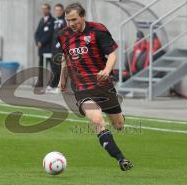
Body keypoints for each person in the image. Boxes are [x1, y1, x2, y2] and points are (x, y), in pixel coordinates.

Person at [57, 3, 133, 171]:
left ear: (83, 16)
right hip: (82, 88)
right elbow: (65, 56)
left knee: (119, 126)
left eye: (74, 20)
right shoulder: (63, 36)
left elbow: (112, 54)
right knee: (98, 120)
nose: (71, 24)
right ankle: (121, 159)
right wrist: (62, 78)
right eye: (68, 20)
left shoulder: (98, 30)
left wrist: (106, 70)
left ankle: (119, 116)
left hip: (103, 85)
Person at [46, 3, 67, 93]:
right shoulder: (56, 21)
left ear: (62, 11)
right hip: (53, 49)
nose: (58, 12)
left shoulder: (64, 22)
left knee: (59, 68)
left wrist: (59, 44)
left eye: (59, 10)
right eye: (56, 10)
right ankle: (54, 85)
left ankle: (57, 86)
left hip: (60, 48)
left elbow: (65, 35)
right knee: (54, 67)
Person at [34, 3, 55, 88]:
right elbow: (37, 33)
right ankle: (40, 82)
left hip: (48, 48)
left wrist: (41, 42)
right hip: (41, 49)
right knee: (41, 66)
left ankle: (53, 82)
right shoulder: (41, 20)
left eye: (45, 9)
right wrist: (37, 42)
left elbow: (50, 34)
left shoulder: (52, 20)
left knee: (52, 66)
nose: (43, 10)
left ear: (49, 10)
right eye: (42, 9)